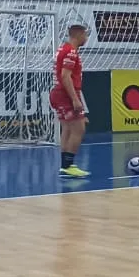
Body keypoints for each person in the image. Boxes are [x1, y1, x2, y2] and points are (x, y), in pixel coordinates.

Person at [50, 22, 90, 178]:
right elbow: (65, 76)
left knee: (67, 128)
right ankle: (68, 166)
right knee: (79, 129)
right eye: (85, 35)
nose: (86, 38)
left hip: (57, 93)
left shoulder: (62, 49)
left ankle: (65, 166)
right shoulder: (71, 52)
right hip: (65, 94)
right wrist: (75, 99)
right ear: (79, 35)